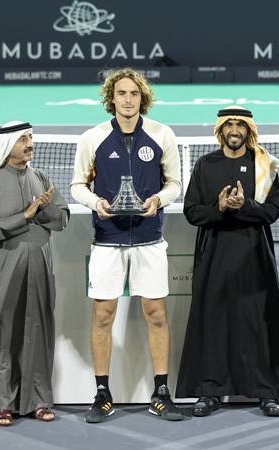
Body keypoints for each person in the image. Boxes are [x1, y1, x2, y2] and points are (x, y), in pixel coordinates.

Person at [71, 68, 183, 423]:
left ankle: (161, 392)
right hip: (107, 240)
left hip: (150, 238)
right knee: (103, 316)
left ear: (142, 97)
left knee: (156, 315)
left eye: (134, 93)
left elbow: (176, 183)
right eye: (121, 93)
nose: (128, 99)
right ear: (112, 98)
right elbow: (77, 185)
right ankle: (102, 393)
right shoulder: (93, 137)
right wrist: (95, 203)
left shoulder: (162, 134)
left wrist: (158, 201)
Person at [176, 106, 279, 418]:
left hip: (255, 257)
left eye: (240, 124)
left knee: (257, 323)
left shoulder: (264, 165)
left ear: (249, 130)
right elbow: (192, 211)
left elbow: (272, 211)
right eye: (229, 124)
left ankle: (265, 391)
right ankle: (209, 391)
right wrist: (220, 207)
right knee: (213, 323)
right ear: (221, 130)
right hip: (214, 256)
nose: (235, 130)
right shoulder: (205, 165)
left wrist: (246, 205)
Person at [0, 121, 69, 426]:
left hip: (40, 270)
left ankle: (38, 400)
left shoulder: (41, 178)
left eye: (31, 138)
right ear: (7, 145)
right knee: (5, 333)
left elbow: (62, 217)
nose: (29, 143)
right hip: (4, 272)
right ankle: (3, 402)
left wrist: (43, 210)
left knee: (39, 330)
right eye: (23, 139)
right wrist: (23, 217)